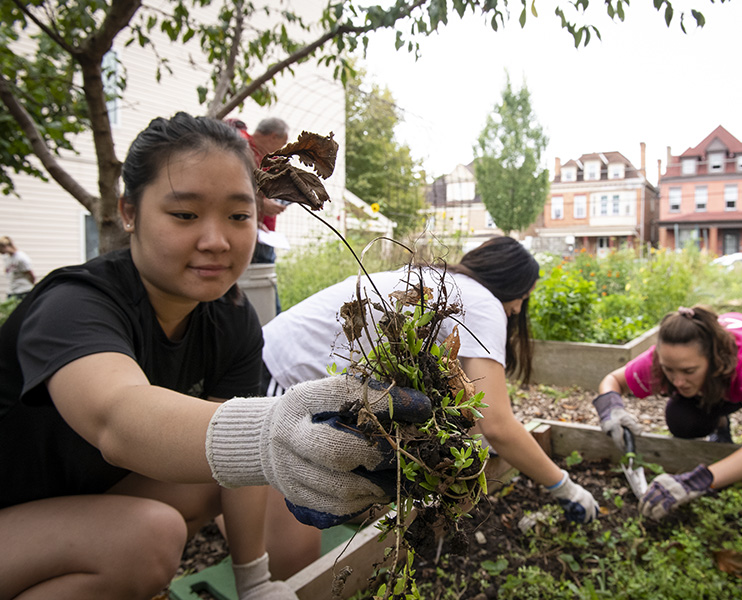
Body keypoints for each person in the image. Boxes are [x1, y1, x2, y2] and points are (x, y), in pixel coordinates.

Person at [0, 112, 430, 599]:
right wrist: (268, 430)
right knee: (148, 536)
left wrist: (255, 582)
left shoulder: (230, 317)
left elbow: (234, 458)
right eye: (184, 215)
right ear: (128, 212)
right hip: (14, 515)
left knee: (243, 474)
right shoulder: (74, 303)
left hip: (82, 502)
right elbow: (116, 418)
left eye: (238, 215)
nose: (216, 241)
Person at [260, 237, 601, 576]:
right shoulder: (483, 303)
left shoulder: (448, 285)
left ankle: (244, 525)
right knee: (299, 540)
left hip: (273, 353)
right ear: (510, 286)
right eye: (523, 299)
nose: (517, 310)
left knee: (242, 485)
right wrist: (563, 486)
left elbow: (469, 399)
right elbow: (498, 424)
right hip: (287, 373)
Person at [593, 305, 742, 520]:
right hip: (721, 383)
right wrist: (611, 410)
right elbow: (613, 380)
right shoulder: (669, 356)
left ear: (713, 359)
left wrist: (697, 481)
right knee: (682, 421)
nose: (678, 381)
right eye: (669, 370)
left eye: (688, 371)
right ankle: (720, 423)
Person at [227, 118, 290, 313]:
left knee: (262, 289)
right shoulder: (242, 147)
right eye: (283, 144)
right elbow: (231, 185)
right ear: (273, 137)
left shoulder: (259, 155)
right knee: (261, 293)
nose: (281, 150)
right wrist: (260, 205)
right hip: (250, 234)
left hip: (259, 229)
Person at [0, 236, 36, 301]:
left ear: (5, 246)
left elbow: (30, 275)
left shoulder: (21, 258)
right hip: (12, 290)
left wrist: (32, 287)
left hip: (23, 290)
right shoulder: (7, 257)